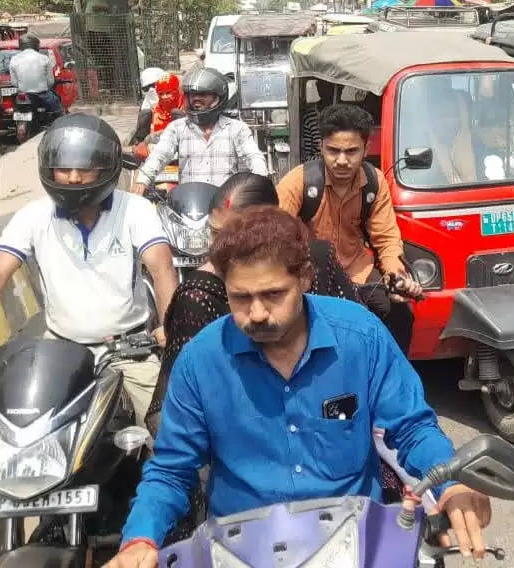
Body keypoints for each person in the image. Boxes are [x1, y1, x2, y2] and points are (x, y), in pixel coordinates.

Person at [106, 207, 493, 568]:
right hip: (240, 552)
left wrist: (450, 485)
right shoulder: (200, 361)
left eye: (273, 294)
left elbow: (411, 428)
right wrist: (140, 537)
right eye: (240, 298)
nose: (256, 313)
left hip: (355, 547)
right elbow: (173, 470)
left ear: (305, 278)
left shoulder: (362, 336)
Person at [0, 115, 178, 419]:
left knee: (166, 432)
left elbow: (161, 267)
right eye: (64, 169)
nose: (73, 178)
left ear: (107, 168)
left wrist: (172, 329)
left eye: (84, 169)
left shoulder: (134, 209)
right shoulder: (33, 215)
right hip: (59, 354)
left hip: (129, 353)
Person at [144, 172, 388, 433]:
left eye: (274, 294)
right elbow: (177, 412)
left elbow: (366, 365)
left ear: (304, 279)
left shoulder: (318, 262)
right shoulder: (198, 296)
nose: (223, 248)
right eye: (215, 234)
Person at [277, 104, 422, 352]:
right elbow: (275, 240)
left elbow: (386, 239)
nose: (342, 160)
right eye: (333, 150)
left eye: (351, 151)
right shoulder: (298, 181)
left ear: (366, 149)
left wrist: (396, 276)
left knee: (401, 316)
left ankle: (388, 378)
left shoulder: (375, 181)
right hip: (313, 277)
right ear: (321, 146)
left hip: (360, 271)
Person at [131, 66, 267, 190]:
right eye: (192, 95)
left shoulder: (237, 129)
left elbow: (253, 157)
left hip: (225, 207)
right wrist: (142, 181)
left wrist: (261, 182)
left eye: (203, 94)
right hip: (189, 206)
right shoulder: (177, 128)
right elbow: (159, 155)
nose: (196, 99)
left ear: (218, 97)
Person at [129, 69, 184, 158]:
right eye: (147, 88)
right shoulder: (148, 107)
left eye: (153, 85)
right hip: (156, 145)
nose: (151, 90)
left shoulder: (185, 102)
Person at [7, 34, 64, 118]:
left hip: (23, 96)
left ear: (21, 46)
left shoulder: (14, 59)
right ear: (36, 45)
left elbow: (14, 83)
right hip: (43, 95)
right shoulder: (44, 58)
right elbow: (51, 82)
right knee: (58, 110)